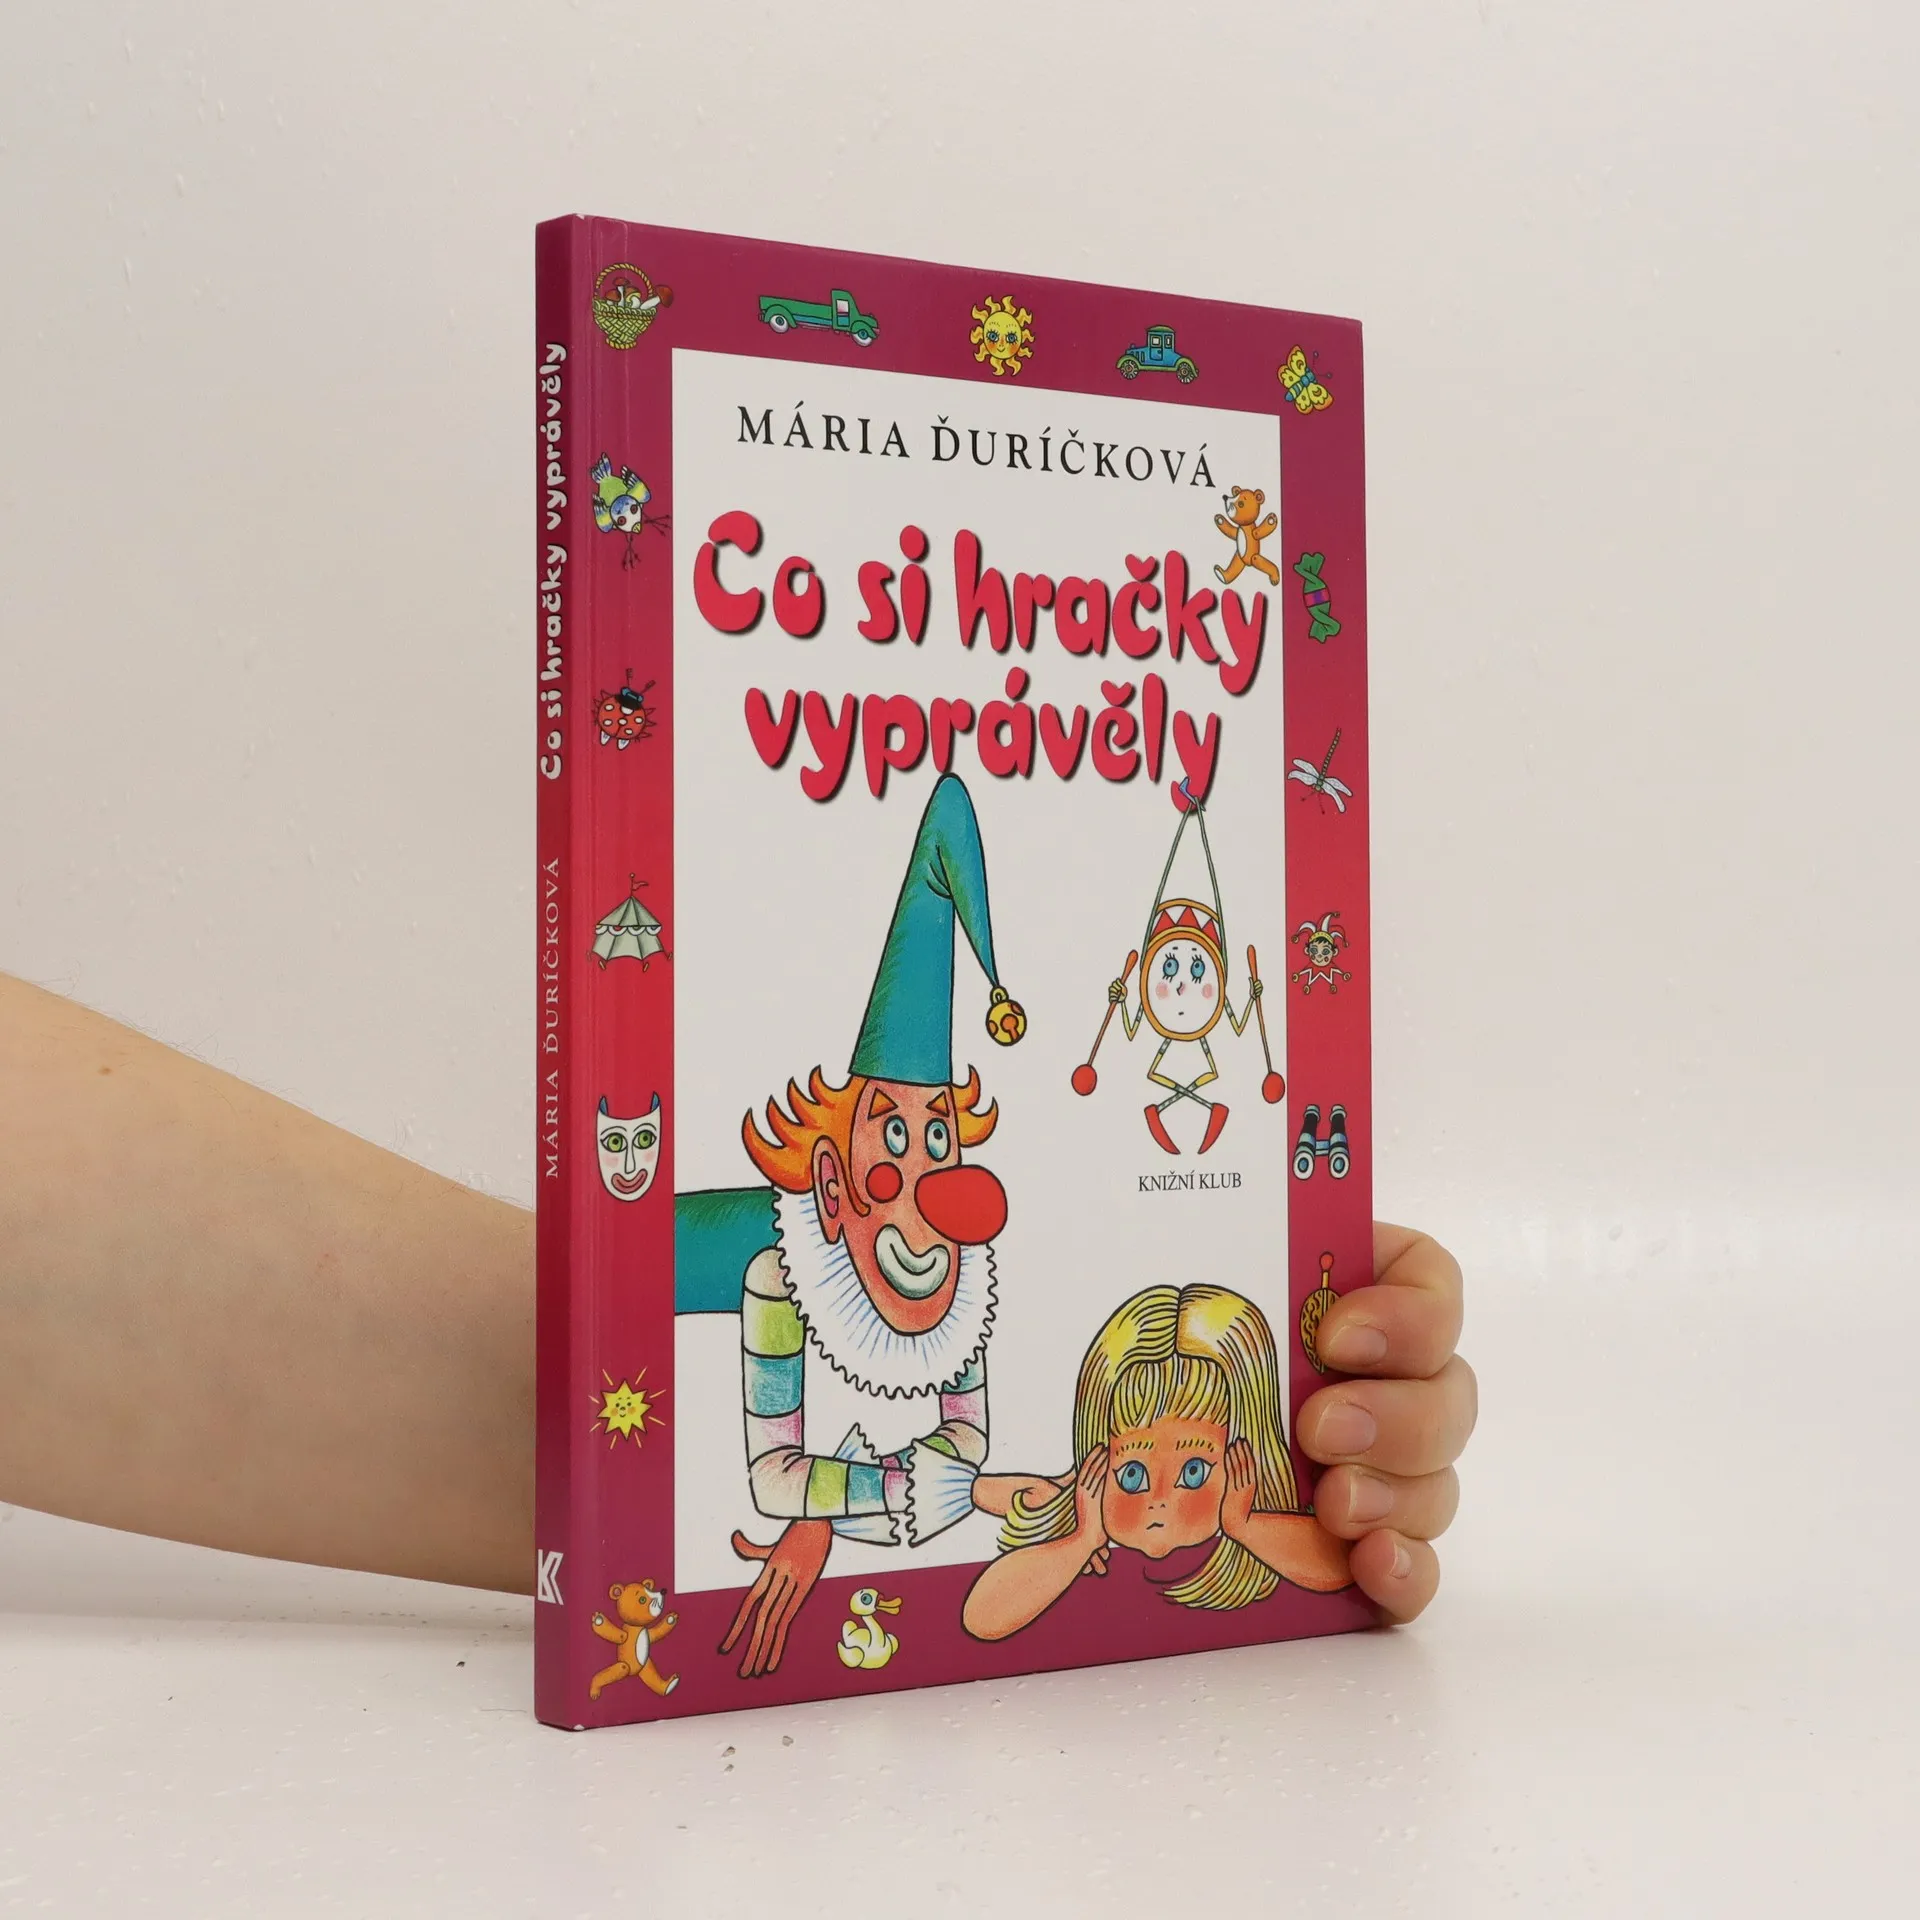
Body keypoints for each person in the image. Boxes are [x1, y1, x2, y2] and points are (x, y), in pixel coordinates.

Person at [0, 968, 1476, 1624]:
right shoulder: (786, 1286)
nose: (924, 1190)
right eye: (887, 1148)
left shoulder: (970, 1300)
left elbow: (960, 1451)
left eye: (941, 1144)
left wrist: (1233, 1389)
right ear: (828, 1182)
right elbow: (787, 1473)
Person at [964, 1282, 1351, 1641]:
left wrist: (1245, 1525)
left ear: (1241, 1459)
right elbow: (981, 1618)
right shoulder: (1086, 1529)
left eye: (1194, 1472)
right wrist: (1081, 1543)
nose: (1160, 1501)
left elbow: (1342, 1566)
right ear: (1098, 1459)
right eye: (1133, 1475)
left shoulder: (1260, 1534)